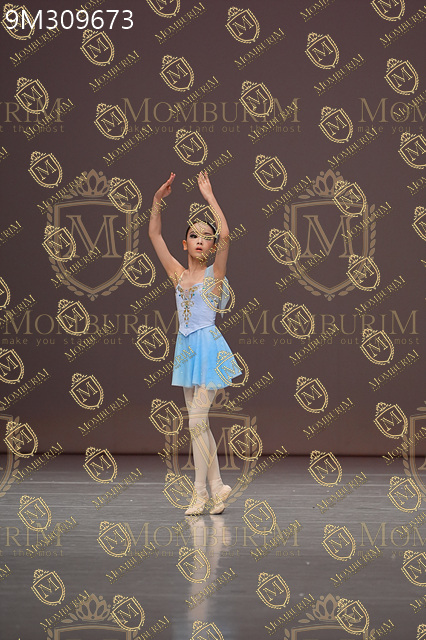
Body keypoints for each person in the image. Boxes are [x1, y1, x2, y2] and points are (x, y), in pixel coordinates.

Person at [148, 170, 242, 515]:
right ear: (185, 244)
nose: (200, 241)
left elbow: (227, 234)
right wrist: (157, 201)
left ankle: (200, 493)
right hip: (187, 350)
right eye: (194, 235)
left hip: (210, 350)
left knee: (196, 422)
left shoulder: (214, 276)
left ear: (212, 247)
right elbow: (154, 234)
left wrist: (210, 197)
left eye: (206, 237)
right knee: (199, 425)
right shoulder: (178, 274)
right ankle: (218, 487)